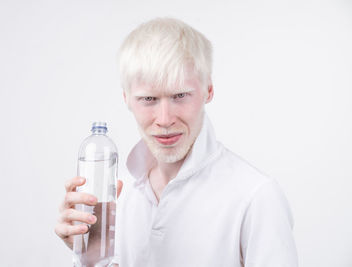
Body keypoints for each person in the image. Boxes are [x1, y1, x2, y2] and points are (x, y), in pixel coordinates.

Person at [55, 17, 298, 267]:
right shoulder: (118, 195)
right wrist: (90, 258)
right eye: (148, 99)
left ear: (208, 91)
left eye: (180, 95)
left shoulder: (257, 197)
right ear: (126, 98)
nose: (164, 119)